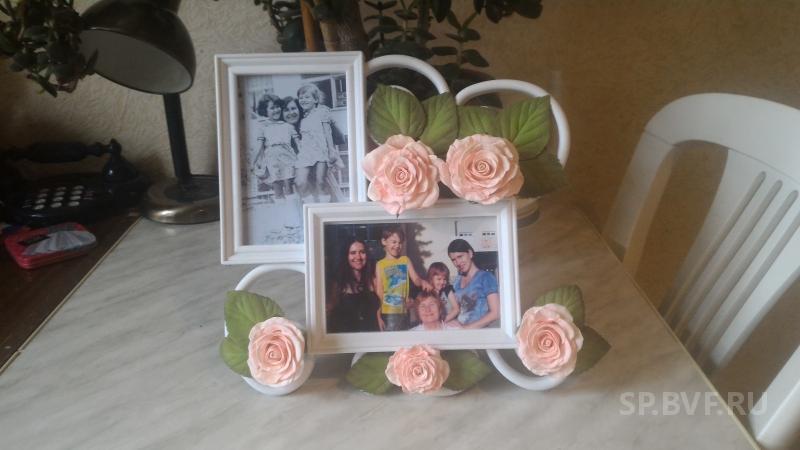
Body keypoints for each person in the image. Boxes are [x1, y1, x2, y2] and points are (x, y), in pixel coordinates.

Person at [374, 225, 432, 331]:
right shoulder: (380, 264)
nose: (397, 245)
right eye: (394, 242)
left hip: (404, 310)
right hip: (388, 312)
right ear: (384, 241)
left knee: (404, 337)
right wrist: (380, 313)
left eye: (400, 242)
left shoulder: (405, 260)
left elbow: (416, 279)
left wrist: (422, 282)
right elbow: (379, 291)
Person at [294, 84, 341, 203]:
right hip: (306, 153)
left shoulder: (322, 112)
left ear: (315, 99)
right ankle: (311, 205)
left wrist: (331, 150)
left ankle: (324, 207)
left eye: (307, 97)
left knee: (320, 182)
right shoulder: (303, 119)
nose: (303, 100)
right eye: (301, 98)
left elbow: (327, 132)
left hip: (321, 151)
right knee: (300, 182)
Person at [327, 237, 379, 333]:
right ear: (346, 256)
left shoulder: (374, 278)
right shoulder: (338, 282)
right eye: (353, 253)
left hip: (372, 335)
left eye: (362, 252)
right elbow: (329, 310)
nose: (358, 257)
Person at [253, 94, 299, 203]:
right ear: (265, 110)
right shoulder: (263, 127)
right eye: (272, 108)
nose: (276, 110)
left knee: (288, 185)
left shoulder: (287, 126)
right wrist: (253, 162)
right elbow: (259, 146)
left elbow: (299, 144)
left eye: (277, 107)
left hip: (288, 159)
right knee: (277, 187)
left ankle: (292, 208)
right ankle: (281, 208)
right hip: (272, 161)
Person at [448, 239, 500, 329]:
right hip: (459, 333)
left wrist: (465, 328)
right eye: (454, 260)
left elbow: (496, 313)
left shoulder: (486, 278)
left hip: (480, 333)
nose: (458, 262)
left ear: (470, 253)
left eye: (460, 256)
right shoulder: (456, 282)